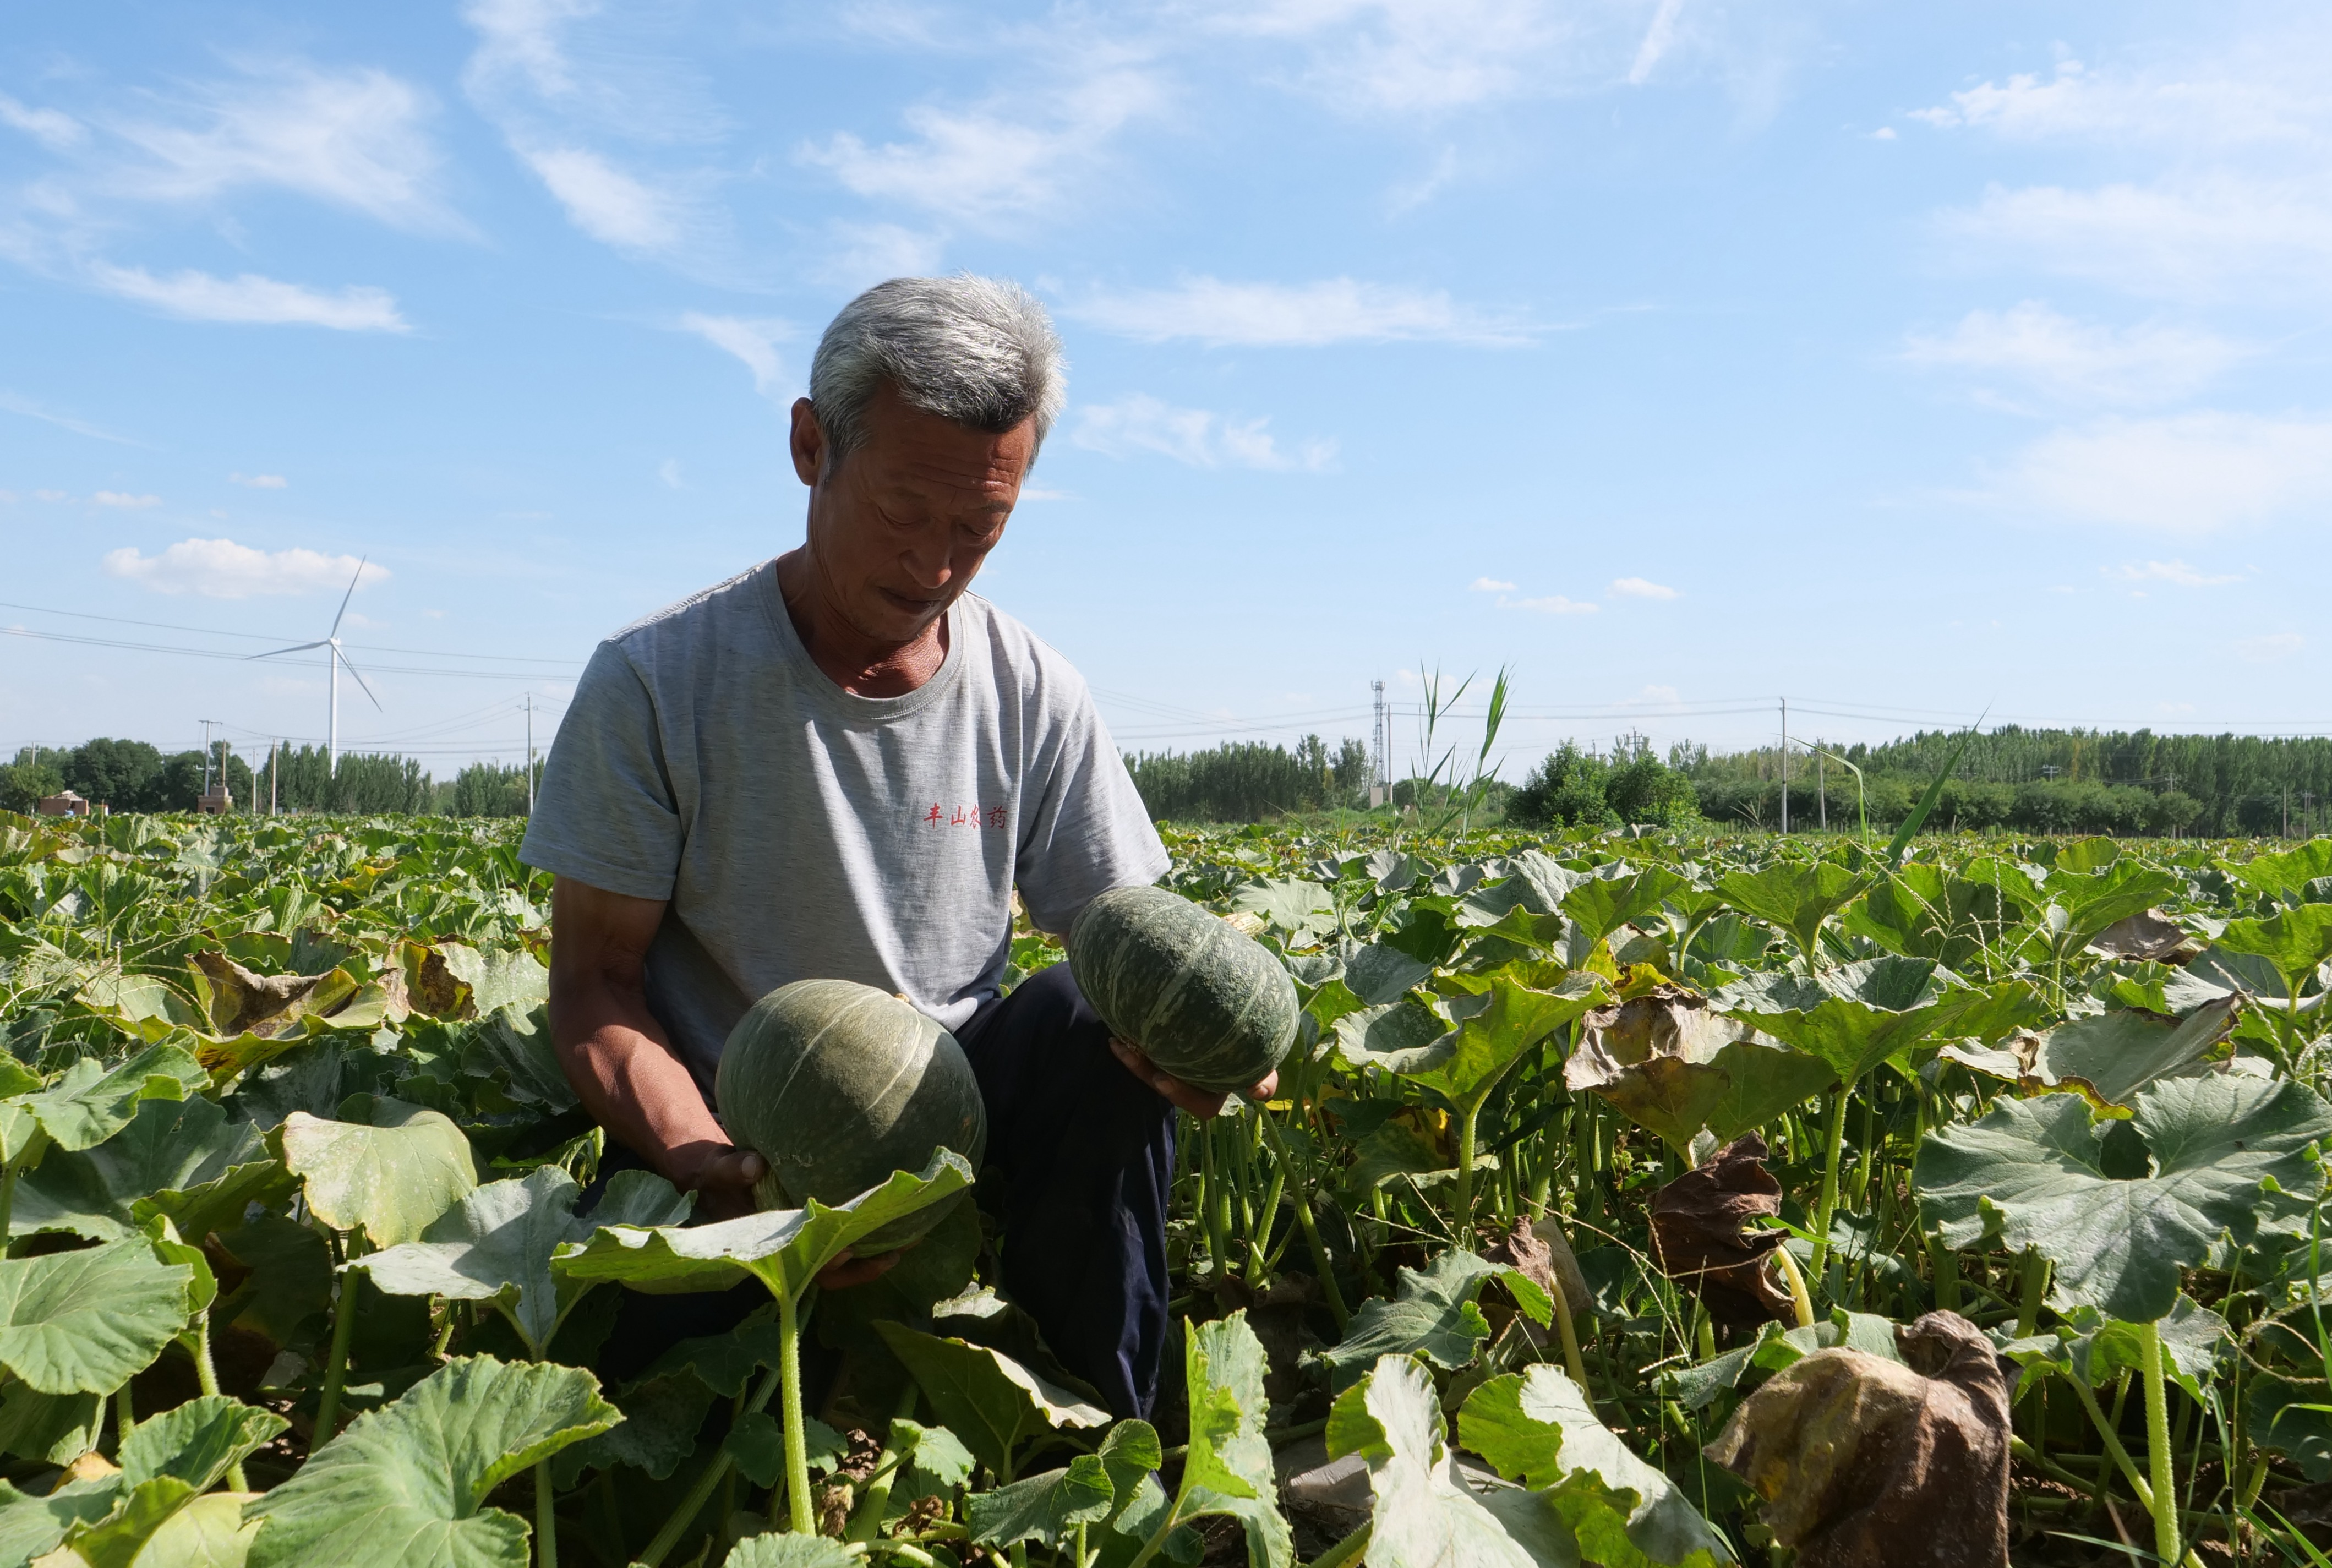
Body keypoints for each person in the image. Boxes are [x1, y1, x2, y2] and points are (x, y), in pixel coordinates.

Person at [523, 275, 1276, 1419]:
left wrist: (1202, 1039)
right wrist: (700, 1154)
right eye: (902, 510)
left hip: (962, 1113)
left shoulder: (1034, 688)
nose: (934, 563)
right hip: (741, 1128)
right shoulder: (655, 679)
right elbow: (593, 983)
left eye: (979, 527)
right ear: (809, 445)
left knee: (1089, 1020)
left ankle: (1109, 1435)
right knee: (658, 1415)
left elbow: (1129, 938)